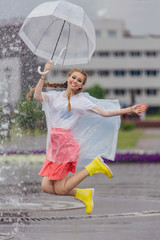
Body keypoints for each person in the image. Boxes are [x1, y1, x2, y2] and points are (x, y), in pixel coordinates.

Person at [32, 61, 147, 215]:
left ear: (81, 86)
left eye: (79, 81)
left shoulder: (82, 101)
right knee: (46, 187)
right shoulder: (54, 97)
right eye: (74, 77)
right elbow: (37, 95)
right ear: (68, 78)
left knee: (60, 188)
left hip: (65, 146)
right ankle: (83, 194)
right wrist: (44, 75)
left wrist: (129, 109)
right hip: (54, 146)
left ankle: (93, 167)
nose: (75, 81)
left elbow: (105, 113)